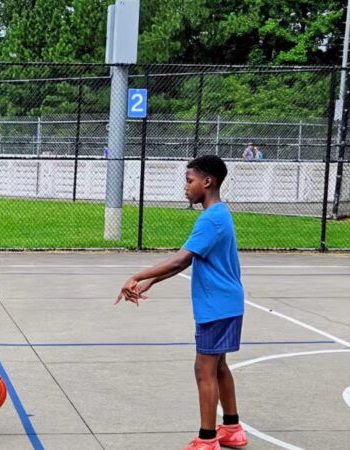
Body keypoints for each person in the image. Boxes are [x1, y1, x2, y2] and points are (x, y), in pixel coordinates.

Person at [116, 155, 248, 450]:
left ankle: (207, 439)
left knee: (204, 369)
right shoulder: (221, 213)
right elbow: (185, 263)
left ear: (207, 181)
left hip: (216, 306)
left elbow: (180, 259)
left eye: (189, 181)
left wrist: (136, 275)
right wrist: (150, 281)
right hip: (227, 303)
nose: (185, 188)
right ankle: (232, 429)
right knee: (219, 366)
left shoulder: (210, 219)